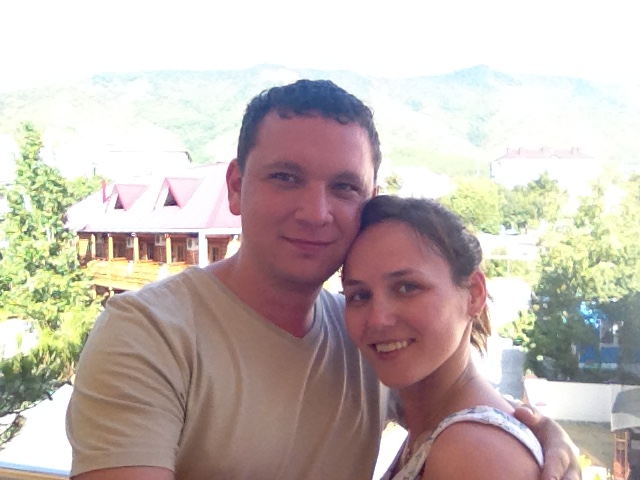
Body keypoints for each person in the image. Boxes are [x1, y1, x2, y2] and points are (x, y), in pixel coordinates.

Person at [66, 79, 581, 480]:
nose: (315, 212)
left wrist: (537, 435)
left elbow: (453, 407)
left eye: (344, 187)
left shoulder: (365, 336)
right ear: (236, 186)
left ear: (369, 200)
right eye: (286, 177)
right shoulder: (150, 334)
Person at [342, 195, 544, 479]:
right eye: (360, 295)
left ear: (474, 294)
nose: (378, 318)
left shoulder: (472, 452)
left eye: (407, 287)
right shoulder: (433, 428)